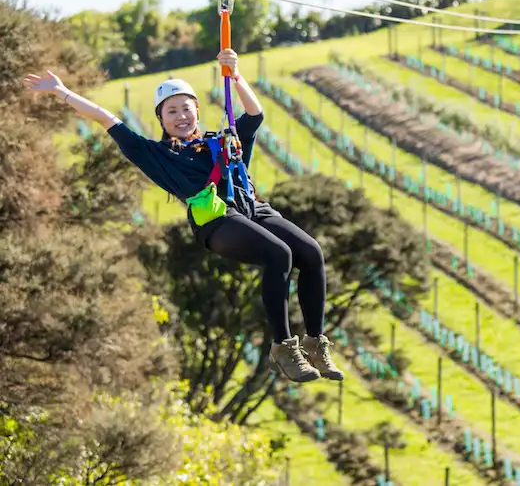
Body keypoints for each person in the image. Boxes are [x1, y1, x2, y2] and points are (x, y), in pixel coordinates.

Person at [22, 49, 345, 382]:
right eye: (171, 111)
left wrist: (235, 76)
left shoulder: (222, 141)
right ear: (161, 120)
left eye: (185, 109)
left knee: (311, 252)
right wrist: (62, 91)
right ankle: (283, 347)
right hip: (216, 221)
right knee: (280, 255)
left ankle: (315, 344)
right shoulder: (154, 154)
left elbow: (255, 114)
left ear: (197, 112)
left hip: (252, 207)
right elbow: (106, 118)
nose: (180, 116)